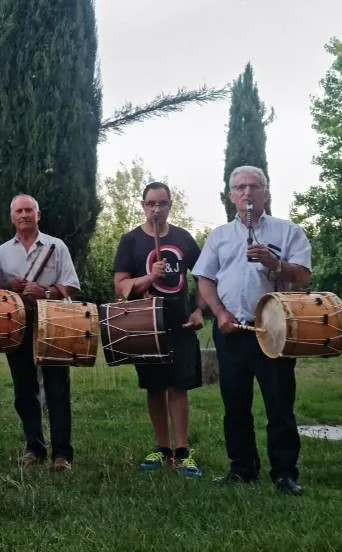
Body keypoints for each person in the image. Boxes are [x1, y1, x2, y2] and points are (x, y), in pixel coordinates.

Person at [194, 166, 312, 496]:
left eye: (254, 187)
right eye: (239, 187)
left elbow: (303, 277)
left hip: (274, 330)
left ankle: (285, 473)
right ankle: (242, 469)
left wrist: (274, 264)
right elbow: (204, 278)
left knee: (279, 404)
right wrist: (218, 313)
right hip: (232, 330)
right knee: (235, 404)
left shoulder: (288, 231)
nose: (247, 193)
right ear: (230, 195)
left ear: (266, 192)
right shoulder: (218, 236)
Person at [112, 182, 205, 477]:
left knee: (179, 386)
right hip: (147, 325)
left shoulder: (184, 239)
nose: (156, 209)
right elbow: (121, 287)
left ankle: (182, 451)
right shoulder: (131, 241)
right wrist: (148, 277)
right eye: (151, 203)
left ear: (170, 205)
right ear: (142, 205)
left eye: (162, 203)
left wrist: (199, 309)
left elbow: (203, 278)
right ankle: (162, 447)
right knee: (155, 387)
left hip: (180, 323)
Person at [0, 194, 80, 472]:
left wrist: (47, 292)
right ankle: (34, 448)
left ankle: (62, 454)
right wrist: (9, 289)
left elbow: (72, 286)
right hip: (16, 325)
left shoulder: (57, 246)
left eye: (29, 210)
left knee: (57, 390)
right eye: (19, 211)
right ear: (12, 216)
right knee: (24, 391)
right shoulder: (2, 253)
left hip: (52, 323)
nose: (24, 215)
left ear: (38, 215)